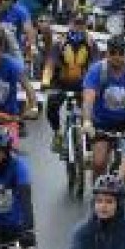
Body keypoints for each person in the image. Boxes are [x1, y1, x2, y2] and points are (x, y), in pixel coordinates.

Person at [82, 35, 125, 180]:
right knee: (99, 163)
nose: (117, 57)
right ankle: (97, 194)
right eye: (112, 53)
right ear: (106, 53)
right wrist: (87, 121)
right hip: (101, 123)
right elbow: (88, 99)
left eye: (121, 53)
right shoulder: (97, 70)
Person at [42, 12, 99, 152]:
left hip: (83, 84)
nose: (78, 27)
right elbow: (50, 63)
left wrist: (96, 85)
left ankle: (88, 135)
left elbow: (96, 66)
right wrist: (45, 81)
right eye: (76, 23)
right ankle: (57, 133)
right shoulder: (60, 42)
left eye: (82, 24)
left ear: (86, 25)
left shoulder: (91, 44)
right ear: (70, 24)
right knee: (51, 106)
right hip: (61, 83)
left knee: (92, 108)